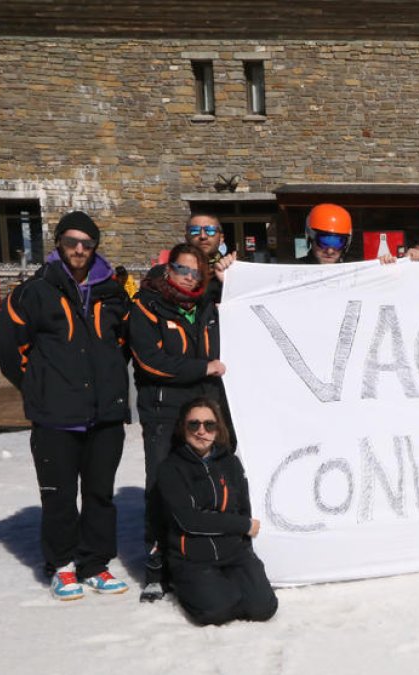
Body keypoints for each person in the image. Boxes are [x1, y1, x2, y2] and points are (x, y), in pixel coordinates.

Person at [0, 211, 132, 600]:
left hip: (104, 414)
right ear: (58, 243)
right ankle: (63, 565)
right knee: (59, 495)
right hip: (56, 415)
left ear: (95, 248)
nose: (79, 249)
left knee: (100, 494)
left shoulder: (111, 292)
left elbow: (121, 345)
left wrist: (107, 379)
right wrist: (39, 387)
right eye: (71, 241)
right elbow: (9, 349)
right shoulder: (34, 292)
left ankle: (95, 564)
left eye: (87, 243)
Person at [128, 243, 228, 602]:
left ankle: (204, 556)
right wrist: (202, 368)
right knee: (162, 486)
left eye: (196, 273)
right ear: (168, 269)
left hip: (204, 410)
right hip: (164, 411)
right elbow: (149, 360)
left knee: (207, 483)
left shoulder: (208, 304)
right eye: (182, 269)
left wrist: (229, 277)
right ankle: (158, 569)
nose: (188, 277)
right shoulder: (146, 305)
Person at [157, 398, 278, 625]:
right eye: (194, 424)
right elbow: (190, 520)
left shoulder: (230, 463)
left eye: (209, 425)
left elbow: (242, 507)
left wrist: (244, 546)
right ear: (183, 428)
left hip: (233, 553)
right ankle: (193, 587)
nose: (201, 431)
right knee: (217, 612)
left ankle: (229, 586)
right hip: (193, 558)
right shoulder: (171, 469)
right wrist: (242, 525)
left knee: (264, 608)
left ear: (218, 428)